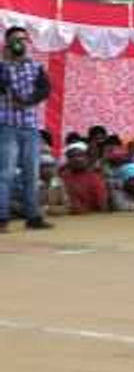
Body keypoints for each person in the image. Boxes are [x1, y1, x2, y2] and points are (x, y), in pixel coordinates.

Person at [0, 26, 54, 233]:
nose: (20, 43)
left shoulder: (36, 66)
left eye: (23, 39)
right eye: (15, 39)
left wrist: (29, 100)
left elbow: (45, 89)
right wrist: (6, 62)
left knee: (31, 174)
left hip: (30, 127)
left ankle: (33, 217)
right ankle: (2, 217)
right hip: (7, 126)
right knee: (5, 173)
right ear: (7, 43)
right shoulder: (2, 66)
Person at [60, 142, 110, 214]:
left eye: (80, 155)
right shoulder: (62, 178)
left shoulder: (96, 178)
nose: (77, 159)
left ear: (87, 157)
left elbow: (102, 206)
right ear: (68, 160)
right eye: (72, 156)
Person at [39, 152, 70, 216]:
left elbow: (67, 206)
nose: (48, 169)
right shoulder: (31, 184)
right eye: (44, 166)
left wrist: (47, 209)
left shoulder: (58, 182)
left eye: (51, 166)